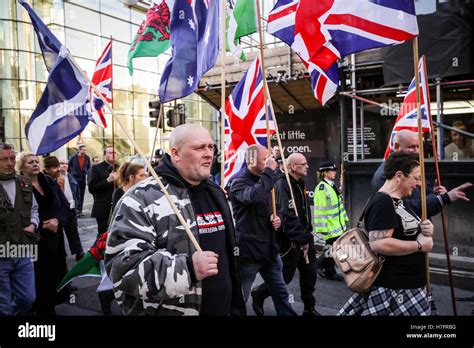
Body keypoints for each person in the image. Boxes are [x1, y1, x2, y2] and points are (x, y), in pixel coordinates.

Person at [105, 124, 246, 316]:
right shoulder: (141, 197)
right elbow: (123, 270)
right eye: (199, 148)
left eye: (211, 147)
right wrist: (187, 268)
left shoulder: (215, 192)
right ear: (175, 153)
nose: (209, 154)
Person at [339, 151, 435, 315]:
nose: (418, 183)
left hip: (407, 285)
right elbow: (379, 244)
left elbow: (404, 230)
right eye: (416, 177)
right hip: (396, 289)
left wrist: (426, 229)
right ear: (399, 176)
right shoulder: (383, 202)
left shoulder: (398, 201)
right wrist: (419, 245)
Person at [230, 144, 296, 316]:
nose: (270, 161)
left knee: (281, 292)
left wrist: (277, 217)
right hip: (249, 253)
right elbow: (253, 196)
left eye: (270, 158)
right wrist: (268, 171)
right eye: (265, 159)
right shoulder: (238, 182)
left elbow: (276, 206)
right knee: (240, 296)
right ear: (252, 161)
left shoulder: (268, 180)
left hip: (270, 251)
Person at [250, 153, 319, 316]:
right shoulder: (282, 184)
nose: (307, 166)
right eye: (304, 164)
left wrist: (306, 236)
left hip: (305, 235)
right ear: (293, 167)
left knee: (310, 273)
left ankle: (309, 308)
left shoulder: (299, 182)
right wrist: (301, 239)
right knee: (285, 277)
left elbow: (302, 212)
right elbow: (286, 216)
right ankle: (258, 293)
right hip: (290, 241)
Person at [372, 130, 472, 218]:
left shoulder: (412, 167)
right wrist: (445, 198)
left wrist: (435, 193)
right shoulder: (385, 175)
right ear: (397, 146)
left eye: (418, 146)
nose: (417, 151)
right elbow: (407, 210)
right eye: (411, 147)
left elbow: (423, 195)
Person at [19, 153, 70, 315]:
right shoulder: (18, 185)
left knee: (54, 274)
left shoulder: (48, 181)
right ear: (21, 166)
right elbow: (16, 213)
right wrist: (42, 224)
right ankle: (40, 307)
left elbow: (64, 205)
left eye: (36, 161)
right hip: (35, 238)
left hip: (55, 236)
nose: (35, 164)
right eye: (30, 162)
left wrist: (58, 221)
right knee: (38, 275)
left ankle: (49, 303)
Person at [0, 143, 39, 316]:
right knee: (3, 305)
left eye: (12, 158)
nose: (9, 163)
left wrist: (33, 224)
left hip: (22, 249)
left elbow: (34, 209)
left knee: (27, 298)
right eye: (4, 159)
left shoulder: (24, 182)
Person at [44, 156, 84, 262]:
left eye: (66, 163)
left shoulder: (70, 177)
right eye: (61, 163)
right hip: (58, 210)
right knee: (59, 232)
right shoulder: (51, 179)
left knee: (73, 230)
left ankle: (78, 251)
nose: (64, 166)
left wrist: (78, 206)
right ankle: (61, 253)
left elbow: (76, 193)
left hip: (70, 208)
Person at [313, 161, 347, 281]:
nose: (335, 173)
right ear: (325, 173)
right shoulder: (321, 188)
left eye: (334, 171)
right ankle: (315, 266)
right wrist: (323, 228)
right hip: (330, 226)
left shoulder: (331, 186)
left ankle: (330, 273)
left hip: (337, 224)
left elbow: (337, 206)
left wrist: (344, 219)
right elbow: (320, 210)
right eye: (332, 171)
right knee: (331, 250)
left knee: (331, 250)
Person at [88, 147, 118, 236]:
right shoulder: (96, 168)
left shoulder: (120, 168)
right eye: (110, 152)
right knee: (103, 235)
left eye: (115, 152)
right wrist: (108, 180)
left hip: (117, 206)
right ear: (105, 155)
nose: (113, 154)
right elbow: (92, 188)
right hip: (102, 207)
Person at [68, 145, 91, 217]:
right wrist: (71, 175)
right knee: (75, 193)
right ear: (79, 150)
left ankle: (80, 210)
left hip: (83, 177)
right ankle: (76, 210)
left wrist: (86, 173)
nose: (85, 151)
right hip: (74, 178)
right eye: (83, 150)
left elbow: (89, 168)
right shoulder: (73, 157)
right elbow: (68, 166)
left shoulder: (87, 158)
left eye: (85, 150)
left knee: (81, 194)